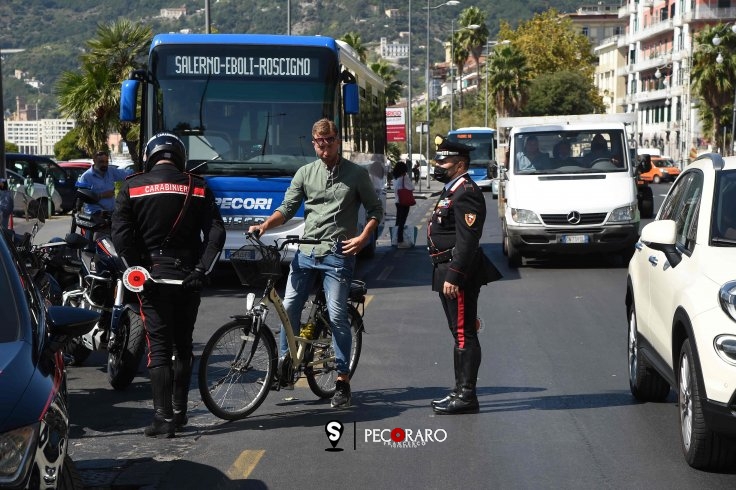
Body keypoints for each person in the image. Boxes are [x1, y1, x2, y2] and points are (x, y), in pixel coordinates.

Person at [248, 118, 383, 408]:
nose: (324, 147)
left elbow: (375, 210)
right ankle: (285, 366)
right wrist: (264, 226)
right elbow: (286, 208)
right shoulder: (305, 173)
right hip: (306, 252)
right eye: (319, 143)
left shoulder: (356, 175)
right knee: (289, 308)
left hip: (338, 254)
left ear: (338, 141)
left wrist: (362, 238)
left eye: (330, 141)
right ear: (314, 143)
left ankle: (342, 381)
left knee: (336, 315)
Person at [111, 132, 225, 438]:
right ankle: (181, 412)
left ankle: (163, 418)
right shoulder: (198, 185)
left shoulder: (133, 186)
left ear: (150, 156)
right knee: (183, 345)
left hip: (152, 277)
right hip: (188, 276)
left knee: (158, 348)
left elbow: (121, 236)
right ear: (179, 156)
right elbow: (216, 233)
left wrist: (137, 268)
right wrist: (202, 268)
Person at [427, 136, 502, 415]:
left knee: (463, 333)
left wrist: (454, 276)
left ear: (459, 165)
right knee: (458, 333)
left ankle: (466, 395)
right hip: (446, 269)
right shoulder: (452, 190)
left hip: (457, 273)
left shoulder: (465, 191)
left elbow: (468, 240)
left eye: (443, 162)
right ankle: (459, 391)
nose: (438, 166)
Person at [393, 160, 414, 248]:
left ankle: (395, 239)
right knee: (402, 221)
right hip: (404, 202)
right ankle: (400, 241)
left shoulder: (395, 178)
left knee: (398, 221)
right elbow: (412, 188)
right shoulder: (405, 178)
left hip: (398, 201)